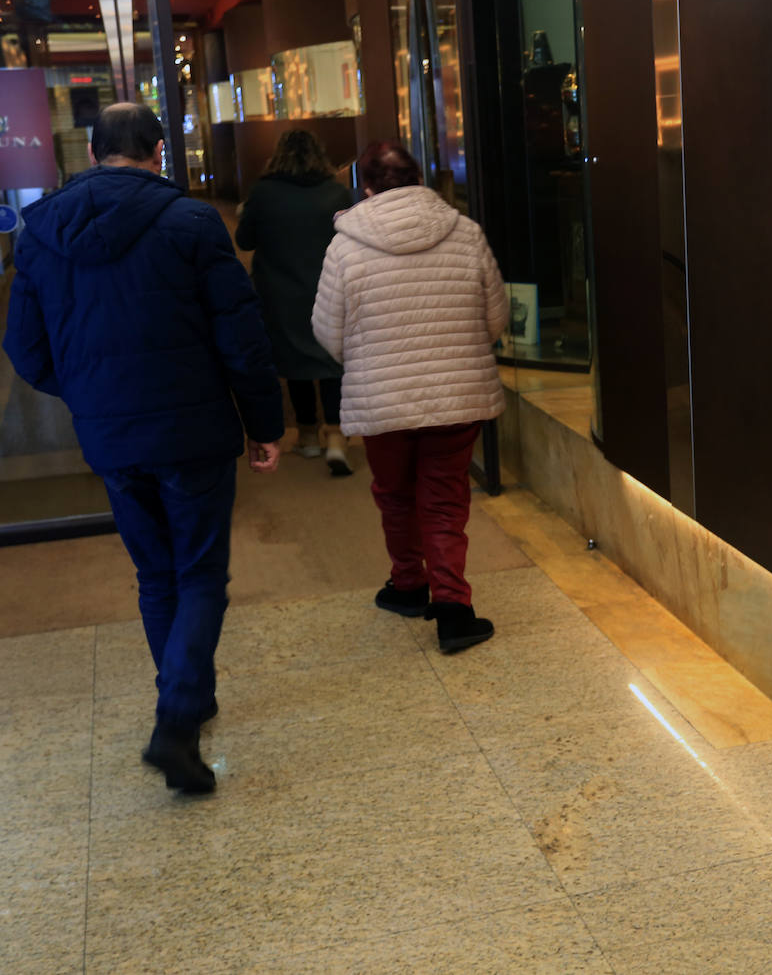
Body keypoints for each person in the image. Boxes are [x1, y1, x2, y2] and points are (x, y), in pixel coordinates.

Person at [4, 103, 283, 794]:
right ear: (159, 150)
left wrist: (88, 393)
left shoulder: (41, 234)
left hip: (109, 435)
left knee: (156, 575)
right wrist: (264, 423)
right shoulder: (191, 223)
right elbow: (240, 338)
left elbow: (25, 349)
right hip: (193, 432)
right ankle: (178, 718)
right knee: (198, 573)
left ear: (93, 152)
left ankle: (184, 694)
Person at [312, 141, 507, 653]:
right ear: (419, 180)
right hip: (457, 393)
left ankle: (407, 584)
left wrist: (370, 360)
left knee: (395, 494)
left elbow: (328, 333)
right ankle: (453, 608)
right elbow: (496, 318)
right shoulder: (465, 234)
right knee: (444, 501)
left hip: (382, 401)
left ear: (367, 187)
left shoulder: (345, 246)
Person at [234, 129, 354, 475]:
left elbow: (245, 240)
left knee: (296, 358)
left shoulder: (264, 193)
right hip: (328, 287)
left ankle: (308, 435)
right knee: (331, 358)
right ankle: (336, 436)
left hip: (280, 291)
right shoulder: (336, 193)